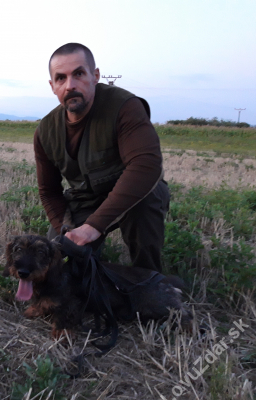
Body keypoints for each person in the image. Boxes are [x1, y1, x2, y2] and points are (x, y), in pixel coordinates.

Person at [34, 43, 170, 273]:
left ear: (95, 76)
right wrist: (65, 229)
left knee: (148, 198)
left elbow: (146, 166)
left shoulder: (125, 107)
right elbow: (49, 191)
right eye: (60, 78)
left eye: (79, 74)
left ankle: (148, 280)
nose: (70, 86)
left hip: (131, 194)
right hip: (85, 199)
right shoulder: (45, 131)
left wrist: (94, 226)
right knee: (59, 266)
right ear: (52, 86)